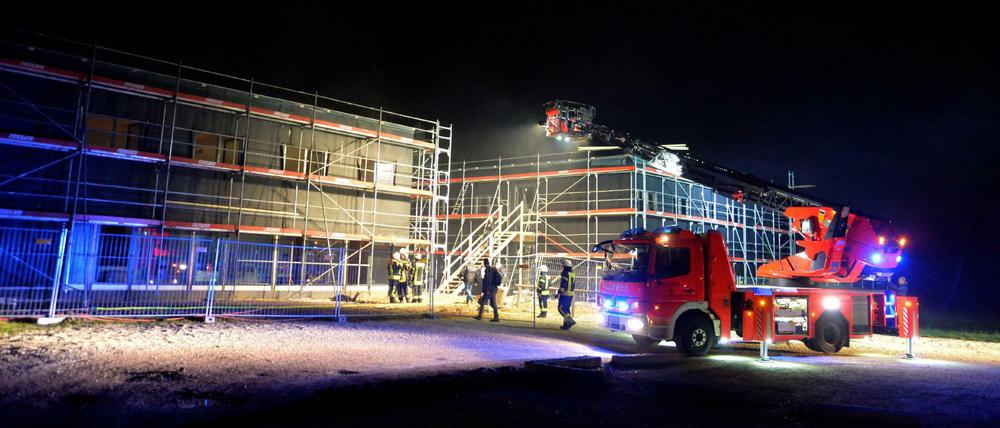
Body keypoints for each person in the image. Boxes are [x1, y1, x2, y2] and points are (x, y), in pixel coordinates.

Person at [474, 258, 502, 322]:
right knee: (493, 303)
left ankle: (480, 316)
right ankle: (496, 317)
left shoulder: (488, 270)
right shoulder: (493, 269)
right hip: (494, 289)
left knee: (482, 301)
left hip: (489, 289)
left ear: (484, 263)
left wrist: (485, 290)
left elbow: (487, 281)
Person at [557, 259, 576, 330]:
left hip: (565, 294)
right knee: (567, 309)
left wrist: (559, 292)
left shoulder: (565, 274)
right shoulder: (572, 274)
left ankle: (570, 320)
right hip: (571, 294)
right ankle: (566, 325)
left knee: (560, 308)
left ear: (565, 266)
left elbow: (563, 284)